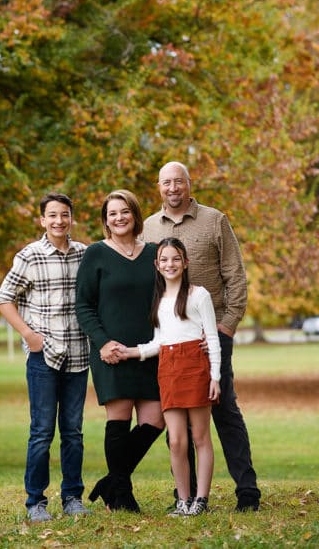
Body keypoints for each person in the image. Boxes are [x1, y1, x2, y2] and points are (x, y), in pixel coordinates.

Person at [142, 161, 261, 512]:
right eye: (166, 182)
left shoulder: (214, 220)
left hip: (213, 334)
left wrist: (226, 327)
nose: (173, 188)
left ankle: (247, 492)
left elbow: (236, 276)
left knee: (224, 410)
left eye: (179, 181)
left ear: (189, 185)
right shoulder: (148, 227)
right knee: (176, 414)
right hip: (174, 340)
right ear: (159, 187)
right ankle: (189, 496)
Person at [0, 192, 92, 521]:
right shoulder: (30, 256)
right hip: (44, 357)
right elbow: (3, 298)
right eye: (52, 215)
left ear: (71, 218)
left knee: (73, 432)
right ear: (42, 220)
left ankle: (72, 497)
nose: (59, 221)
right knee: (41, 432)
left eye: (64, 215)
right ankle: (36, 501)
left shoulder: (85, 255)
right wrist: (29, 336)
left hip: (79, 354)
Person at [75, 190, 164, 512]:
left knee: (155, 420)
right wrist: (102, 342)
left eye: (124, 211)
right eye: (112, 213)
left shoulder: (154, 253)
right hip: (111, 350)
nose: (119, 218)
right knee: (119, 419)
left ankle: (111, 482)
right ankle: (122, 494)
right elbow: (83, 305)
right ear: (105, 220)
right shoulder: (96, 254)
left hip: (149, 350)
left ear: (135, 215)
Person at [119, 238, 221, 516]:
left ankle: (201, 500)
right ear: (157, 264)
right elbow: (158, 343)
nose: (170, 264)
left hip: (196, 368)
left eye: (176, 258)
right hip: (169, 369)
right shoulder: (159, 300)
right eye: (164, 259)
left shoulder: (199, 295)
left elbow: (211, 338)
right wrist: (129, 352)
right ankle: (183, 500)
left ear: (185, 262)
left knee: (200, 437)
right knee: (176, 440)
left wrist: (215, 376)